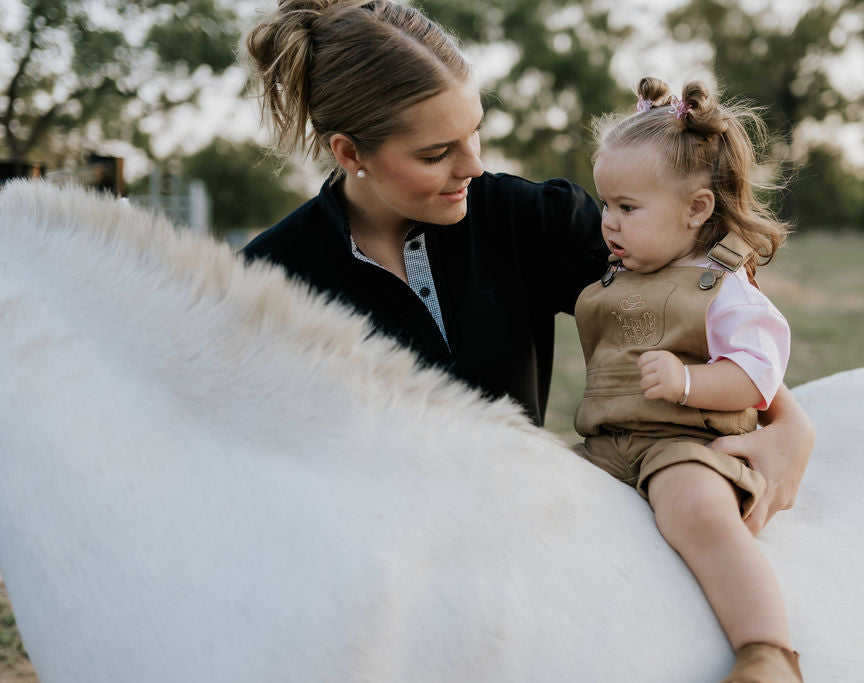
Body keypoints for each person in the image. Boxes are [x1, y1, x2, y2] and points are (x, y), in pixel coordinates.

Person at [241, 0, 812, 536]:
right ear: (349, 153)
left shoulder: (530, 218)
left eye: (474, 131)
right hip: (378, 560)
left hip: (525, 546)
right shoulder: (266, 284)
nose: (474, 165)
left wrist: (789, 422)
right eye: (437, 153)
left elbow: (685, 296)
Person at [572, 77, 802, 682]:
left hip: (684, 444)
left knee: (697, 513)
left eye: (627, 208)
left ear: (696, 208)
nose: (608, 223)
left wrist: (688, 382)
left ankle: (767, 652)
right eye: (605, 205)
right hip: (607, 443)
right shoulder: (618, 277)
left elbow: (756, 375)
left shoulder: (723, 286)